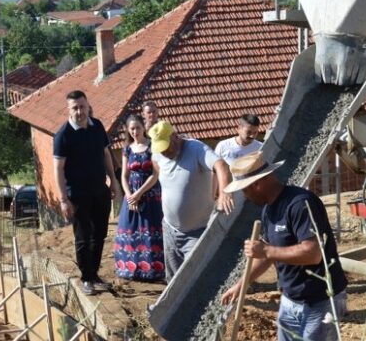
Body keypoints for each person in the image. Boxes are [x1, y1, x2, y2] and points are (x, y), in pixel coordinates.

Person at [220, 150, 348, 341]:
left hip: (322, 300)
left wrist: (266, 252)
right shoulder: (268, 209)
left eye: (245, 189)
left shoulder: (301, 204)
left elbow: (313, 253)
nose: (244, 197)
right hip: (291, 301)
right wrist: (243, 284)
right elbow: (268, 255)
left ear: (260, 183)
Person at [53, 90, 122, 296]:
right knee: (83, 237)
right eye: (75, 108)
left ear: (87, 105)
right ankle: (86, 279)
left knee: (100, 234)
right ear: (69, 109)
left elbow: (106, 155)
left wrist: (113, 182)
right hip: (77, 196)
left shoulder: (97, 126)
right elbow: (58, 168)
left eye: (82, 106)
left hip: (99, 190)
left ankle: (94, 274)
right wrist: (64, 199)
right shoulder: (63, 135)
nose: (79, 111)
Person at [148, 120, 233, 281]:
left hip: (197, 233)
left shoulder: (196, 149)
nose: (164, 152)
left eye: (166, 147)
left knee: (196, 280)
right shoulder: (158, 153)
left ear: (175, 136)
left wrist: (224, 193)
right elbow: (157, 164)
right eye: (160, 148)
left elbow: (221, 165)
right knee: (173, 280)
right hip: (170, 230)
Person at [113, 115, 165, 281]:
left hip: (150, 195)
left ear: (143, 127)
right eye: (131, 129)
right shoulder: (127, 149)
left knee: (151, 230)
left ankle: (153, 270)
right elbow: (124, 175)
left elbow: (156, 174)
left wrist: (139, 194)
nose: (135, 131)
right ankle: (130, 269)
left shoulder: (152, 147)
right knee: (130, 230)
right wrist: (129, 196)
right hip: (132, 198)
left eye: (137, 127)